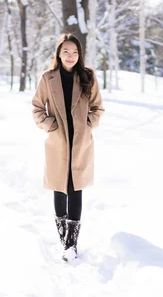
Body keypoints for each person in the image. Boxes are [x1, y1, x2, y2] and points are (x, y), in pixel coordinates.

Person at [32, 33, 104, 261]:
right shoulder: (48, 78)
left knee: (76, 188)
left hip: (81, 143)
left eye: (75, 52)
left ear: (79, 54)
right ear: (59, 54)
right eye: (66, 51)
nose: (71, 56)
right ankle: (63, 238)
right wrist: (49, 125)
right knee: (59, 188)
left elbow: (97, 108)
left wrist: (88, 124)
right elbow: (36, 108)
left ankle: (71, 244)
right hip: (57, 142)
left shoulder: (88, 77)